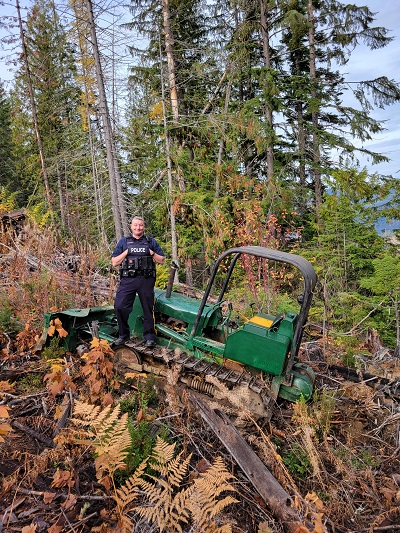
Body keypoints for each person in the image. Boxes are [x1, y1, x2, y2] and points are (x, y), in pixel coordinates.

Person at [111, 216, 165, 348]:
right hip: (128, 280)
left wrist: (151, 252)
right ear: (131, 226)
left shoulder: (150, 241)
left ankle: (150, 337)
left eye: (140, 225)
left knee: (148, 308)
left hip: (146, 280)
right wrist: (127, 252)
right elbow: (114, 262)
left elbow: (161, 260)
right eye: (135, 225)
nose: (138, 227)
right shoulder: (124, 242)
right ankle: (123, 335)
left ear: (143, 226)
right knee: (119, 306)